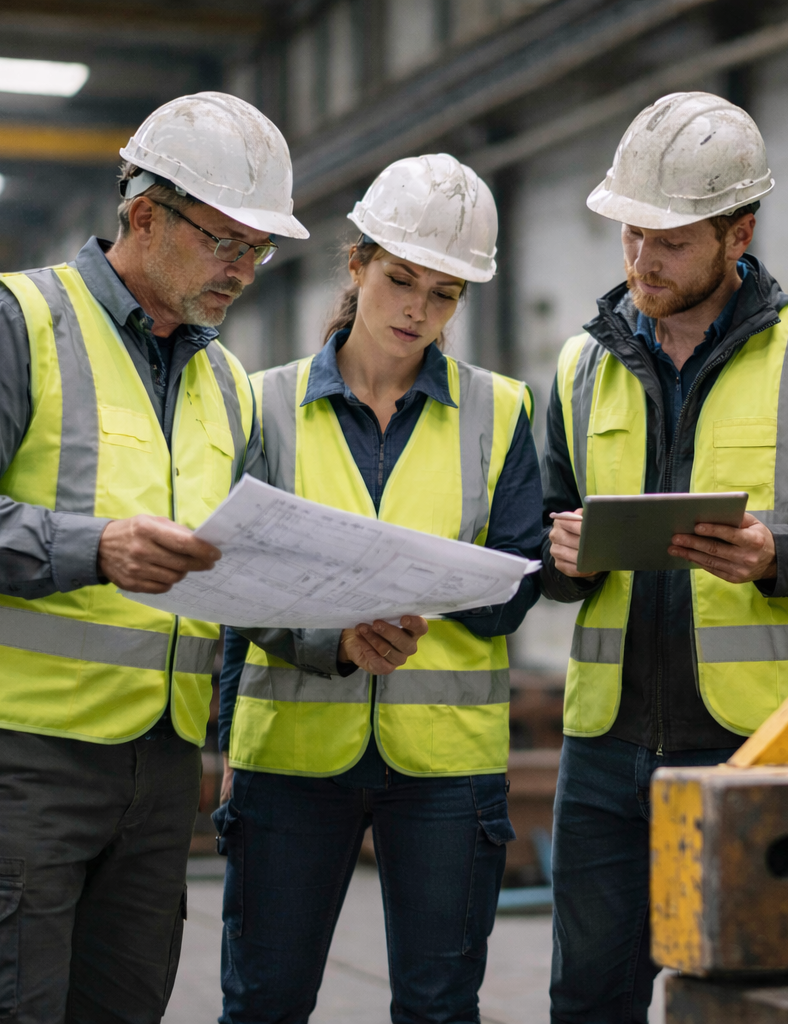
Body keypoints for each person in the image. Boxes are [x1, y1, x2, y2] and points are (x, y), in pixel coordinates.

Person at [0, 91, 415, 1023]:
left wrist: (334, 638)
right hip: (17, 756)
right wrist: (96, 549)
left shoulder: (225, 385)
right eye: (224, 242)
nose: (244, 270)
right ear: (142, 215)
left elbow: (234, 569)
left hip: (160, 764)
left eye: (260, 250)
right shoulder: (17, 321)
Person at [541, 92, 788, 1022]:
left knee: (749, 1001)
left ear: (738, 233)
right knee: (588, 999)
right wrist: (566, 557)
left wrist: (775, 554)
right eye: (631, 233)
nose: (642, 259)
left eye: (670, 240)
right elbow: (546, 545)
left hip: (762, 746)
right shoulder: (577, 367)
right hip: (603, 754)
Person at [214, 154, 543, 1024]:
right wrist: (334, 639)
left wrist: (429, 600)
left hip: (445, 766)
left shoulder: (503, 410)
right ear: (356, 264)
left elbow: (515, 582)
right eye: (401, 279)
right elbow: (230, 581)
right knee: (264, 1003)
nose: (417, 310)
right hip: (289, 755)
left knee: (439, 1009)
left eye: (444, 294)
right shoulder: (262, 406)